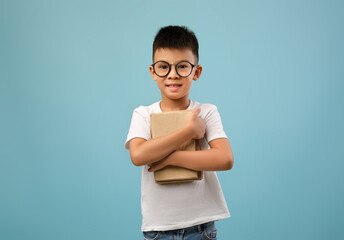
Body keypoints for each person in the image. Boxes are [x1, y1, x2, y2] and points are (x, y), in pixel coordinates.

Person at [125, 25, 234, 240]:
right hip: (158, 230)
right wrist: (188, 131)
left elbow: (225, 158)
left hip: (201, 228)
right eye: (164, 67)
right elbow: (138, 156)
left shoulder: (207, 112)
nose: (173, 75)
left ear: (196, 72)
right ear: (152, 72)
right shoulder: (143, 114)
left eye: (182, 66)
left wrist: (169, 158)